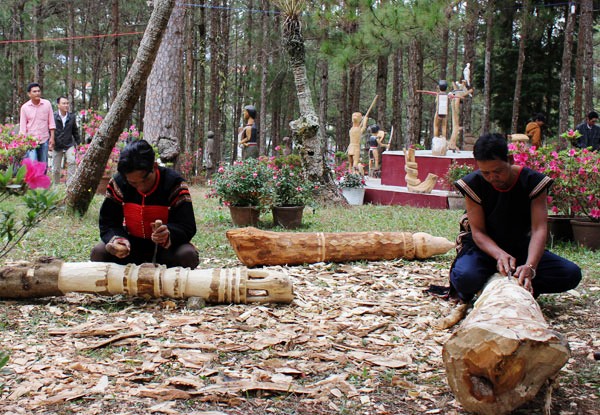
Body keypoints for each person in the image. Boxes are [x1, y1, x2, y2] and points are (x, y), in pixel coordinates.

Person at [449, 133, 581, 302]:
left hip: (520, 249)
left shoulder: (532, 182)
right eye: (486, 173)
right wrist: (499, 255)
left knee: (570, 274)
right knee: (465, 278)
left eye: (498, 171)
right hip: (484, 250)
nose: (492, 178)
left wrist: (530, 266)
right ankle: (494, 281)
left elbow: (538, 229)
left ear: (510, 160)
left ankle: (517, 281)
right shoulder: (473, 184)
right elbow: (478, 233)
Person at [90, 140, 199, 269]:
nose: (141, 187)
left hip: (166, 250)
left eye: (145, 180)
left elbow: (187, 226)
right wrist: (119, 241)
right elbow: (108, 222)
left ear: (154, 167)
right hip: (130, 248)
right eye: (133, 183)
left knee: (187, 255)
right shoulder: (119, 183)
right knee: (99, 252)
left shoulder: (174, 183)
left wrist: (168, 233)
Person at [19, 82, 56, 167]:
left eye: (39, 91)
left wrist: (52, 138)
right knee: (33, 163)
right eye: (34, 91)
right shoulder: (25, 107)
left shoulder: (47, 104)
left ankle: (42, 180)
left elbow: (51, 122)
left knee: (43, 165)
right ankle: (33, 180)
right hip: (30, 141)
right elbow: (23, 128)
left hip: (44, 139)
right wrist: (22, 143)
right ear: (29, 94)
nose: (37, 93)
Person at [51, 96, 80, 185]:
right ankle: (56, 186)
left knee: (72, 162)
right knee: (56, 169)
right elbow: (50, 130)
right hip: (57, 145)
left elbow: (75, 130)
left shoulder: (72, 116)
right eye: (64, 103)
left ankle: (69, 184)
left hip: (69, 144)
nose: (66, 105)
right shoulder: (53, 116)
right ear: (58, 105)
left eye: (67, 103)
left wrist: (78, 142)